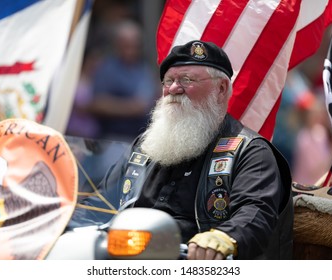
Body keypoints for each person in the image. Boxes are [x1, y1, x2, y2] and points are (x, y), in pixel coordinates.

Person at [72, 40, 293, 260]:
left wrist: (223, 238)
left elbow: (254, 212)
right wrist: (64, 223)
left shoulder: (250, 151)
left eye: (187, 80)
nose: (174, 89)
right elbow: (100, 203)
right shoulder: (145, 146)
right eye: (169, 81)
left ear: (221, 89)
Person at [85, 20, 159, 142]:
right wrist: (129, 108)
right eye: (127, 45)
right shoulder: (106, 69)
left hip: (142, 137)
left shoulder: (144, 68)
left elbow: (151, 93)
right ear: (117, 44)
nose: (131, 50)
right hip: (113, 139)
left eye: (135, 45)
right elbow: (95, 103)